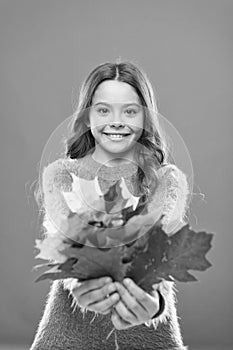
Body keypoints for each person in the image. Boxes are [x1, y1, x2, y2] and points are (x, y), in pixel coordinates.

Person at [31, 61, 189, 350]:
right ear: (87, 116)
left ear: (146, 118)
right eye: (103, 110)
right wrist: (81, 281)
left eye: (130, 111)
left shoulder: (167, 180)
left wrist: (154, 304)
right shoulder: (60, 174)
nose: (116, 121)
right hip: (69, 337)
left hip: (150, 337)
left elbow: (160, 249)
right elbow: (61, 239)